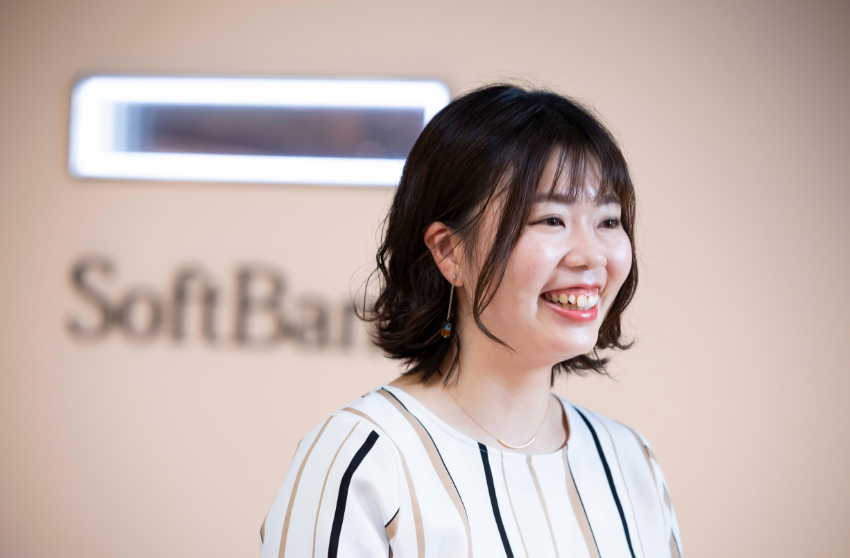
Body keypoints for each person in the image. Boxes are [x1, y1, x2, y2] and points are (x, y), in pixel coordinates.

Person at [260, 84, 683, 558]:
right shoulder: (363, 457)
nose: (592, 256)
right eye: (551, 220)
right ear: (449, 251)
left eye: (608, 221)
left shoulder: (630, 462)